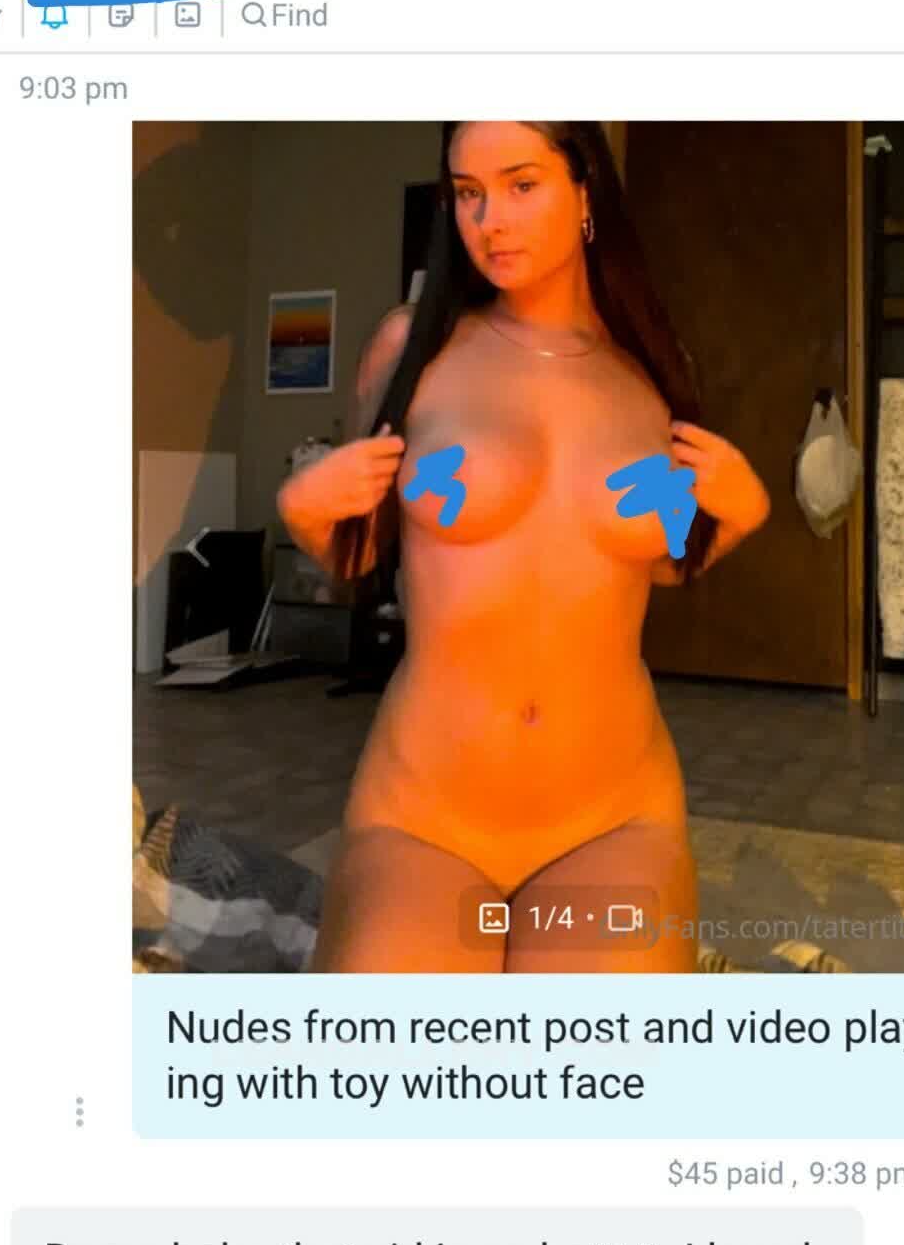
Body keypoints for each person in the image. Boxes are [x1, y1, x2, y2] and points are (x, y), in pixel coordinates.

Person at [278, 121, 770, 973]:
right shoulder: (411, 349)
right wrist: (307, 517)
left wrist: (739, 518)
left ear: (584, 190)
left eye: (521, 184)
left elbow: (656, 563)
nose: (490, 220)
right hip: (423, 812)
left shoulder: (651, 367)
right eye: (468, 193)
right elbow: (360, 558)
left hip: (613, 814)